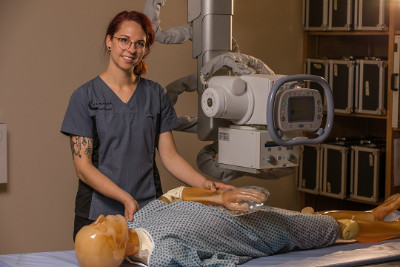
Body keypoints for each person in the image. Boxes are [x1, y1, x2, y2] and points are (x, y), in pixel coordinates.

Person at [61, 10, 233, 241]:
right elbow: (83, 168)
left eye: (139, 43)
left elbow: (170, 156)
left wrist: (206, 185)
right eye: (124, 40)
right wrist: (125, 198)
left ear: (146, 49)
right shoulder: (84, 97)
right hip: (97, 216)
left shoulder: (155, 94)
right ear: (109, 41)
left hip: (148, 212)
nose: (131, 49)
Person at [74, 186, 400, 267]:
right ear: (115, 250)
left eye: (97, 220)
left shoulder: (140, 219)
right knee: (338, 231)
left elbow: (174, 195)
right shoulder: (163, 256)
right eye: (101, 229)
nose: (101, 218)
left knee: (311, 218)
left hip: (240, 212)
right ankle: (394, 228)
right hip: (256, 235)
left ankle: (374, 213)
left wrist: (222, 197)